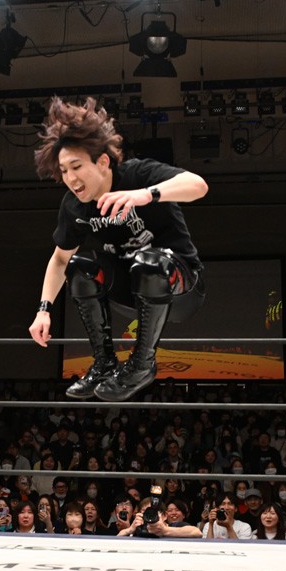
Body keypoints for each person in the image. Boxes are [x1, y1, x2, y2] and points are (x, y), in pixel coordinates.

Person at [29, 96, 209, 401]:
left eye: (76, 166)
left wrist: (146, 195)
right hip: (132, 293)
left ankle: (142, 364)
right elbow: (59, 260)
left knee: (148, 262)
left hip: (181, 288)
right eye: (64, 171)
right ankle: (104, 363)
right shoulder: (74, 206)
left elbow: (198, 186)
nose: (71, 179)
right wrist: (43, 310)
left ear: (102, 162)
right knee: (79, 267)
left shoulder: (138, 174)